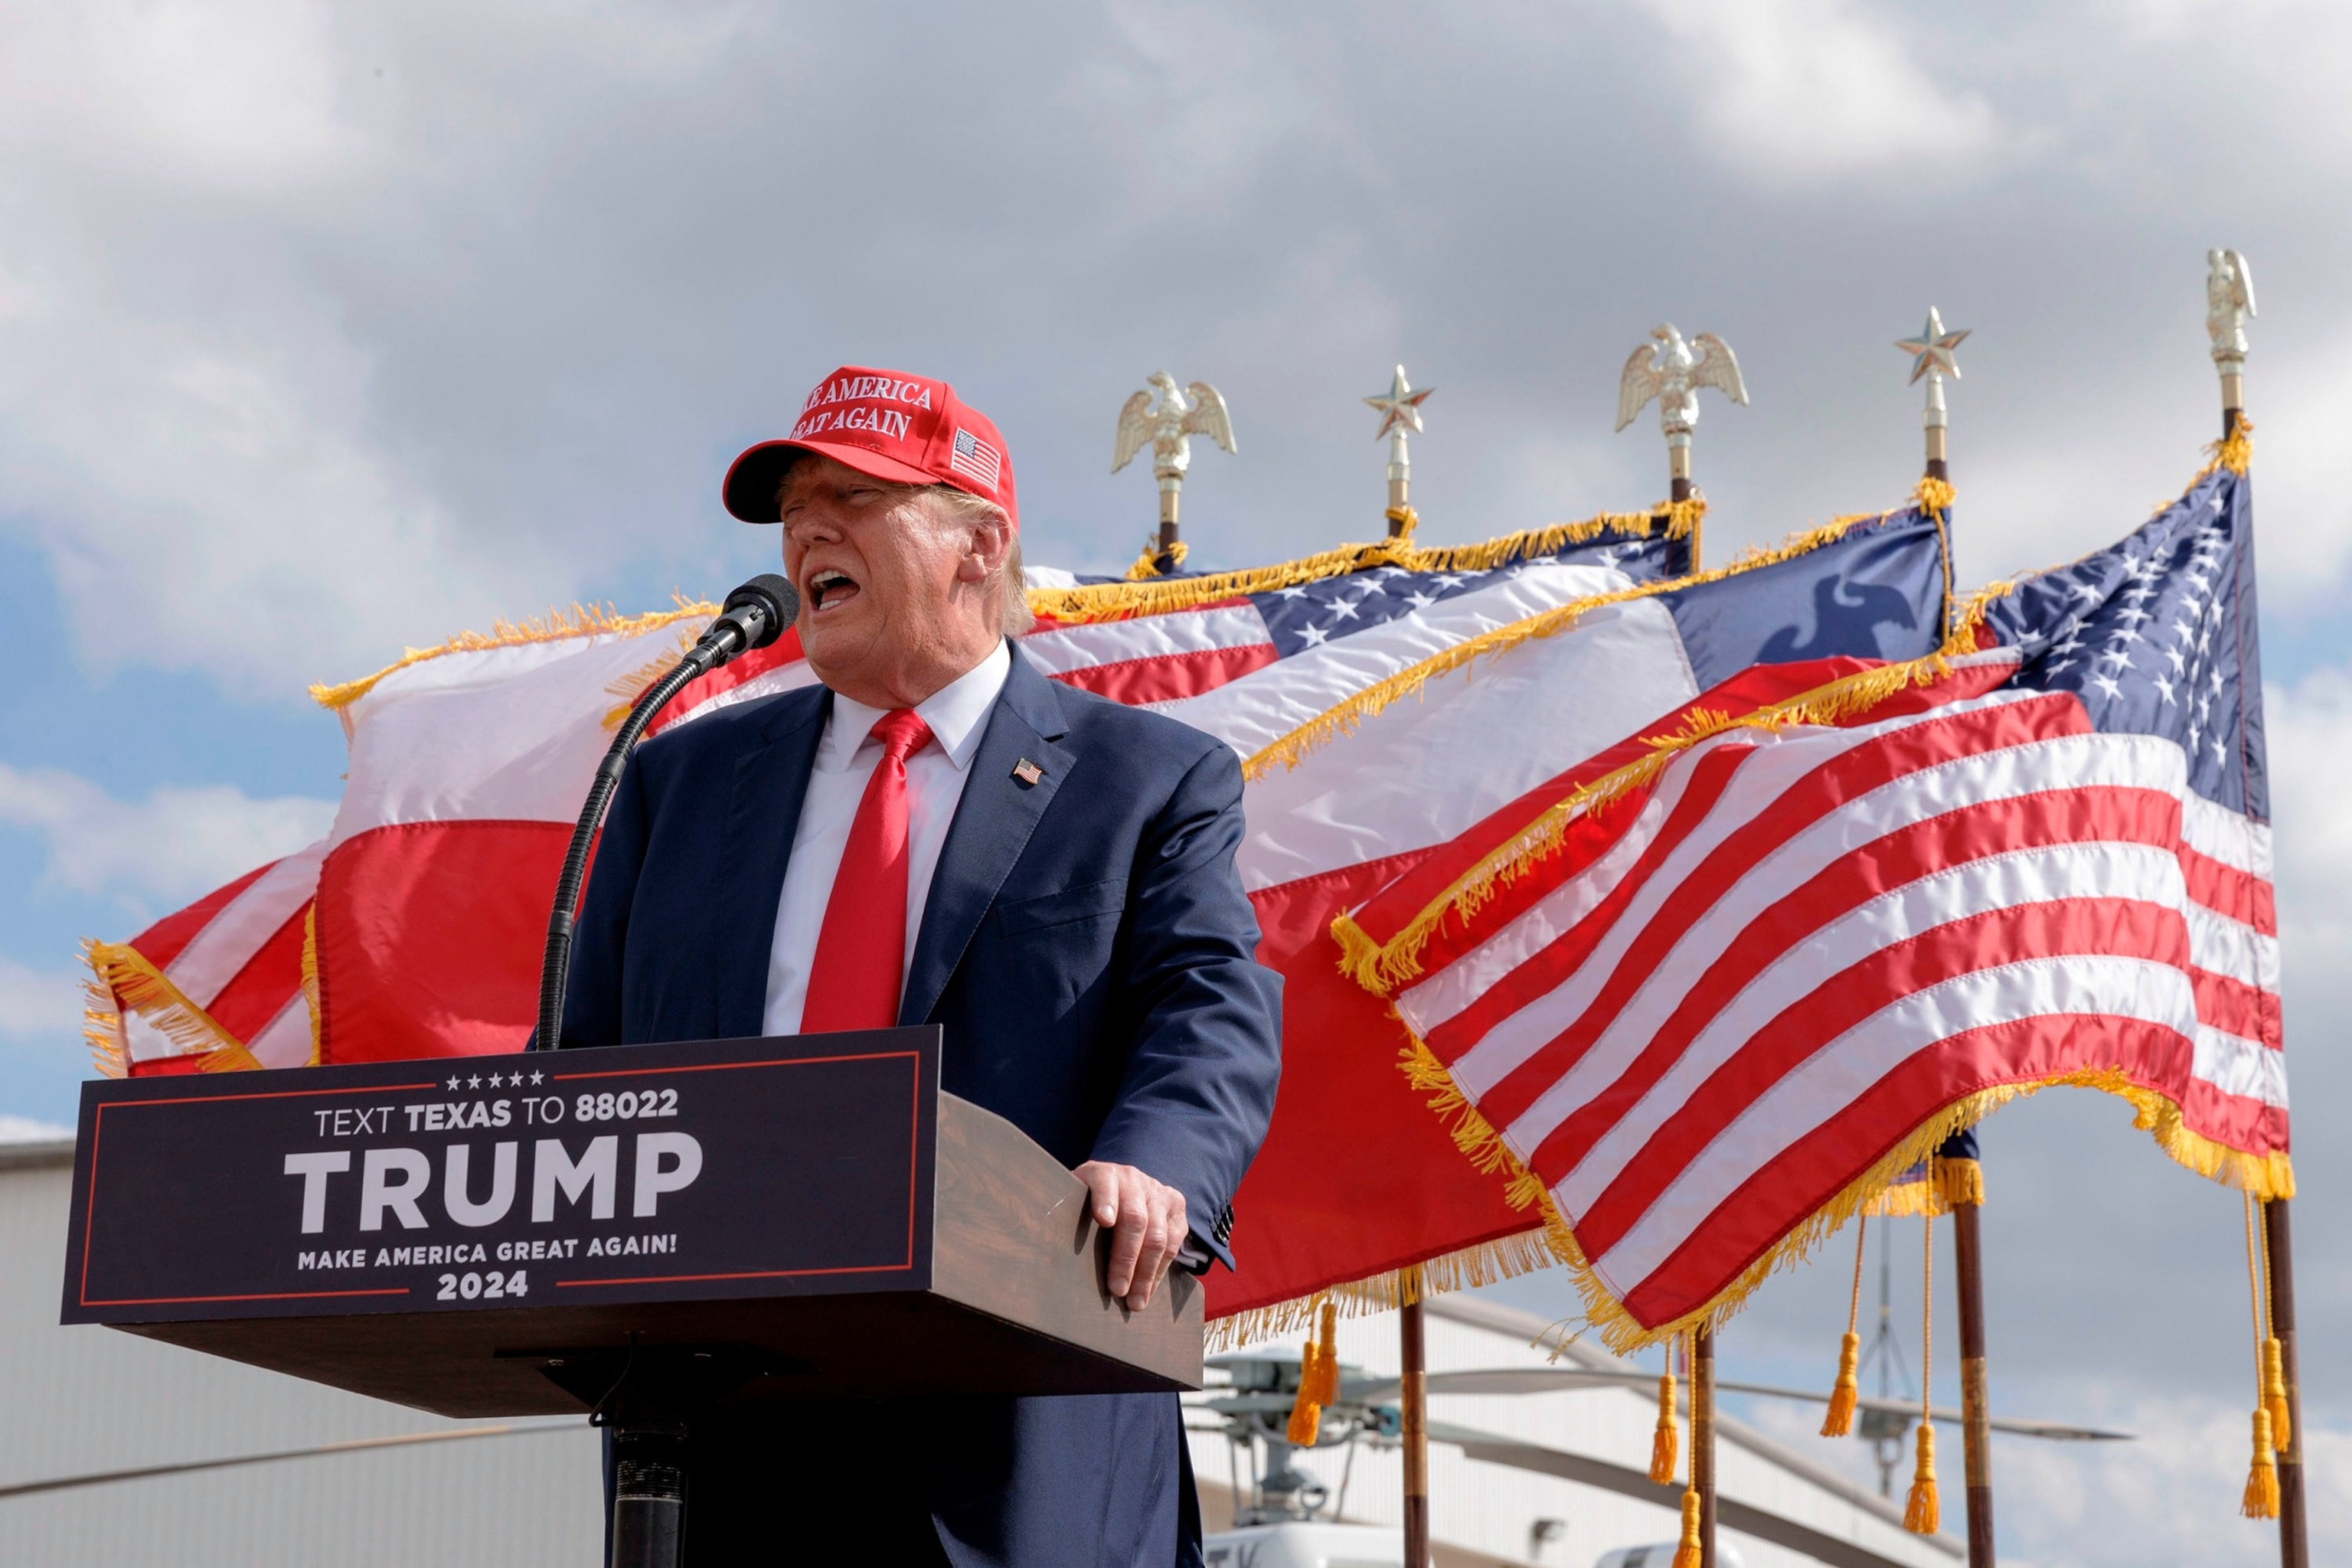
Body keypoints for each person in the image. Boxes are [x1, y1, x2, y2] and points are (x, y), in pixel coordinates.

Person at [558, 364, 1285, 1566]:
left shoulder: (1146, 781)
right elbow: (588, 1062)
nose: (807, 532)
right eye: (793, 509)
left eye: (853, 495)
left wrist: (1154, 1163)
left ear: (978, 544)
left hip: (1014, 1416)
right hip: (721, 1415)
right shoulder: (676, 782)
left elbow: (1207, 1010)